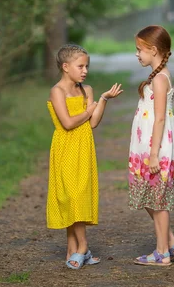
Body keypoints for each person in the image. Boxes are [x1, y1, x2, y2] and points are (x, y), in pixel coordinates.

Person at [46, 44, 123, 270]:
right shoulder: (57, 91)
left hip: (84, 147)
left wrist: (103, 99)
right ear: (65, 67)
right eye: (80, 66)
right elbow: (68, 123)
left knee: (78, 195)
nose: (85, 70)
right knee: (71, 197)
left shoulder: (86, 90)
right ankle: (83, 247)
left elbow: (93, 123)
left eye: (87, 66)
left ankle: (74, 249)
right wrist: (89, 110)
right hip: (65, 148)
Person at [128, 25, 174, 266]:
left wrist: (154, 154)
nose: (137, 54)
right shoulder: (156, 76)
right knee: (148, 195)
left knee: (158, 199)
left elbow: (160, 117)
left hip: (157, 146)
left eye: (139, 50)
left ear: (153, 50)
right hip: (147, 144)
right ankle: (171, 243)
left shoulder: (161, 78)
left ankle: (162, 252)